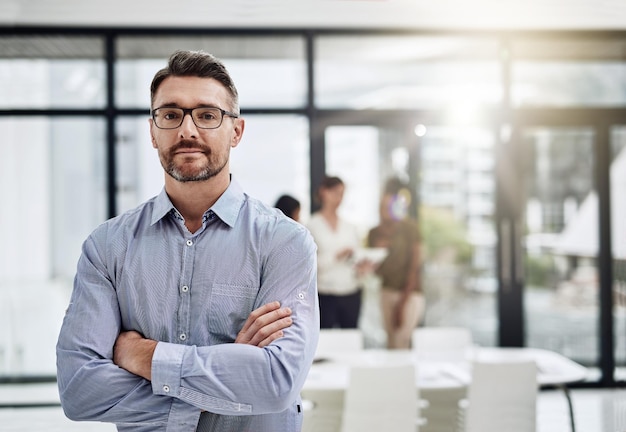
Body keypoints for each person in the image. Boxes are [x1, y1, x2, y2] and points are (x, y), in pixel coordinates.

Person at [56, 50, 319, 432]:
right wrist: (231, 379)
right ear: (152, 130)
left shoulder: (285, 243)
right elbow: (80, 390)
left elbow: (276, 382)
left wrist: (140, 354)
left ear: (236, 131)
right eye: (170, 114)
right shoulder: (107, 247)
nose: (188, 131)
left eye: (208, 115)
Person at [367, 177, 423, 349]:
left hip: (410, 293)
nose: (384, 210)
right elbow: (376, 271)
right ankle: (395, 375)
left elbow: (415, 267)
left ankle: (405, 375)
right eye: (382, 207)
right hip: (387, 291)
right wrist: (376, 255)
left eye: (388, 206)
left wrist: (402, 302)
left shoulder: (410, 228)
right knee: (391, 343)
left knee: (402, 339)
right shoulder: (374, 234)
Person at [306, 176, 362, 329]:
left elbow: (355, 261)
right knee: (325, 340)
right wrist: (336, 256)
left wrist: (362, 268)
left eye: (342, 194)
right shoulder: (311, 225)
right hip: (325, 294)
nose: (339, 198)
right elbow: (309, 265)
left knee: (351, 339)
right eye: (336, 193)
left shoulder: (350, 227)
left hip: (350, 292)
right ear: (324, 192)